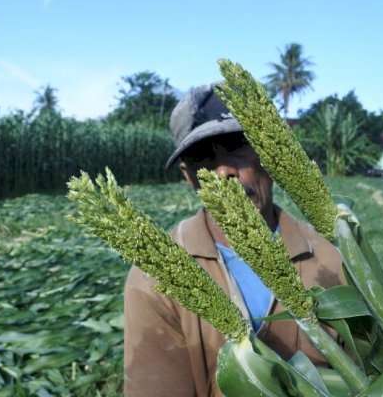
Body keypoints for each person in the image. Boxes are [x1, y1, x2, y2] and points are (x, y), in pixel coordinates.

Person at [123, 83, 347, 396]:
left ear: (269, 154)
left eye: (236, 145)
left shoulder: (332, 258)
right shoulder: (154, 280)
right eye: (204, 158)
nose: (224, 170)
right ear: (189, 177)